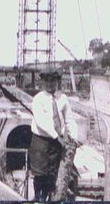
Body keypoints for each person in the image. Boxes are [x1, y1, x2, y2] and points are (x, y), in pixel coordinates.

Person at [28, 66, 78, 201]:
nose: (50, 84)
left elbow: (69, 120)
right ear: (42, 82)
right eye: (47, 80)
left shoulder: (63, 98)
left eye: (53, 80)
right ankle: (39, 199)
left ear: (58, 81)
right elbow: (41, 121)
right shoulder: (38, 99)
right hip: (41, 142)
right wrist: (57, 137)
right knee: (40, 176)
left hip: (56, 144)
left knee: (53, 176)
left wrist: (74, 137)